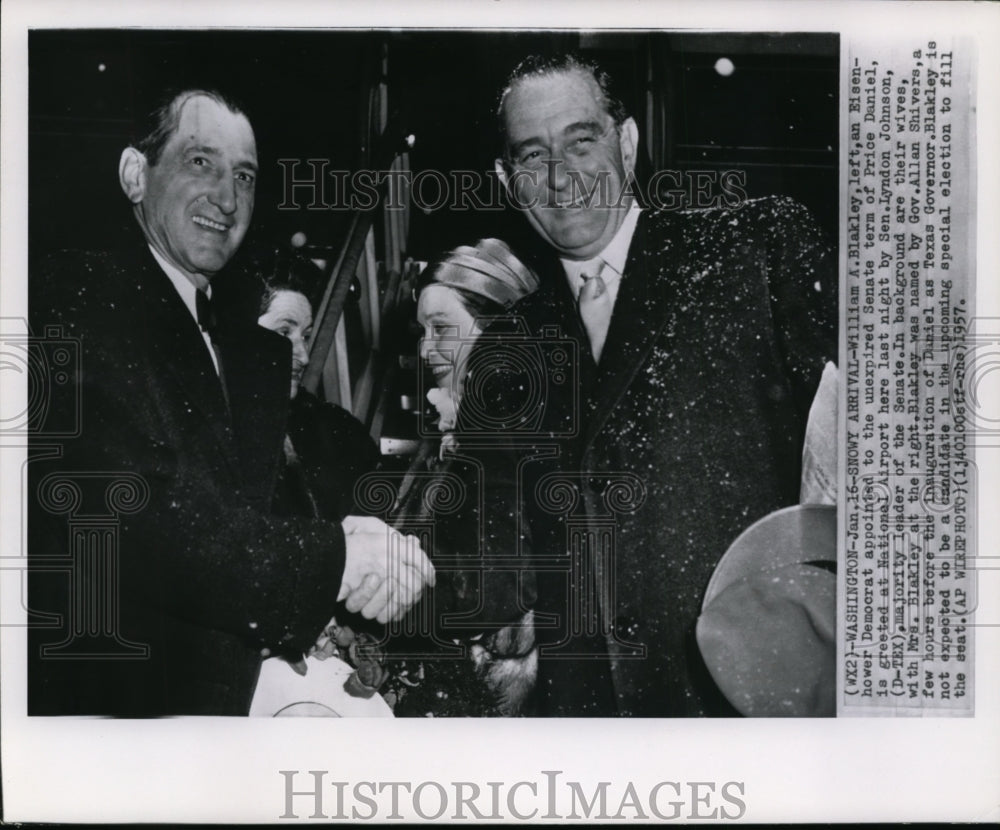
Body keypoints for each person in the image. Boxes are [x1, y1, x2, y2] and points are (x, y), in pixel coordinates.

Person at [27, 88, 433, 716]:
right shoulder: (74, 295)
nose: (226, 196)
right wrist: (337, 558)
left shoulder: (236, 345)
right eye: (200, 163)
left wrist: (348, 536)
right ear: (136, 175)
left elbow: (237, 516)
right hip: (122, 713)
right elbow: (133, 511)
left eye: (244, 176)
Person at [463, 54, 838, 716]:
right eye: (532, 155)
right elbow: (498, 563)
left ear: (627, 142)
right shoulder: (504, 352)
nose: (560, 176)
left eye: (582, 141)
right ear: (506, 179)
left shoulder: (755, 247)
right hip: (589, 737)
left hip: (749, 710)